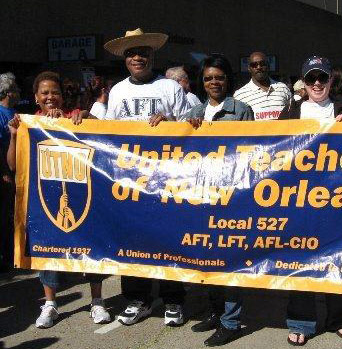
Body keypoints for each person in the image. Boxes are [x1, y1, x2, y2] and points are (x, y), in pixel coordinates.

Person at [99, 28, 190, 327]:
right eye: (131, 53)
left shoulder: (170, 88)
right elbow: (108, 136)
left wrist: (171, 122)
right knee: (131, 238)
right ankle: (138, 299)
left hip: (166, 178)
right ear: (125, 60)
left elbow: (192, 128)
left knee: (167, 238)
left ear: (153, 55)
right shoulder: (118, 92)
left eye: (143, 52)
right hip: (128, 179)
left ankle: (173, 298)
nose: (137, 57)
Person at [7, 71, 111, 328]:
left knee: (90, 245)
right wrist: (13, 134)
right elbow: (13, 165)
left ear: (62, 97)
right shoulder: (27, 123)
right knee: (48, 248)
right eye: (45, 92)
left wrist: (88, 116)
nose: (50, 97)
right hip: (45, 197)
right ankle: (50, 304)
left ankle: (97, 302)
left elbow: (109, 137)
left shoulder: (75, 118)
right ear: (36, 97)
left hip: (81, 192)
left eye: (55, 92)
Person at [279, 56, 342, 346]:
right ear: (304, 81)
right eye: (311, 78)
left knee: (334, 258)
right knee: (299, 258)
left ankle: (339, 318)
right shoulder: (291, 112)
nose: (316, 84)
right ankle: (300, 321)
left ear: (329, 80)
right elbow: (273, 152)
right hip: (298, 200)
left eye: (321, 78)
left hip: (336, 199)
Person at [185, 53, 253, 347]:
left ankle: (231, 321)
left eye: (220, 77)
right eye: (209, 78)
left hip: (232, 196)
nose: (214, 82)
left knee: (229, 260)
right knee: (207, 257)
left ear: (228, 80)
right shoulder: (196, 111)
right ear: (202, 81)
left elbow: (253, 152)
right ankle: (215, 311)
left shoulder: (242, 110)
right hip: (202, 195)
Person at [0, 72, 20, 272]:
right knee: (5, 216)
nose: (19, 92)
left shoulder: (15, 113)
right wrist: (4, 172)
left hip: (16, 172)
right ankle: (6, 258)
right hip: (6, 174)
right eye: (16, 89)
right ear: (8, 93)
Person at [234, 51, 291, 120]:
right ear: (249, 68)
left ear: (268, 66)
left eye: (262, 64)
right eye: (254, 65)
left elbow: (292, 114)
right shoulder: (240, 95)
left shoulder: (283, 88)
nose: (258, 67)